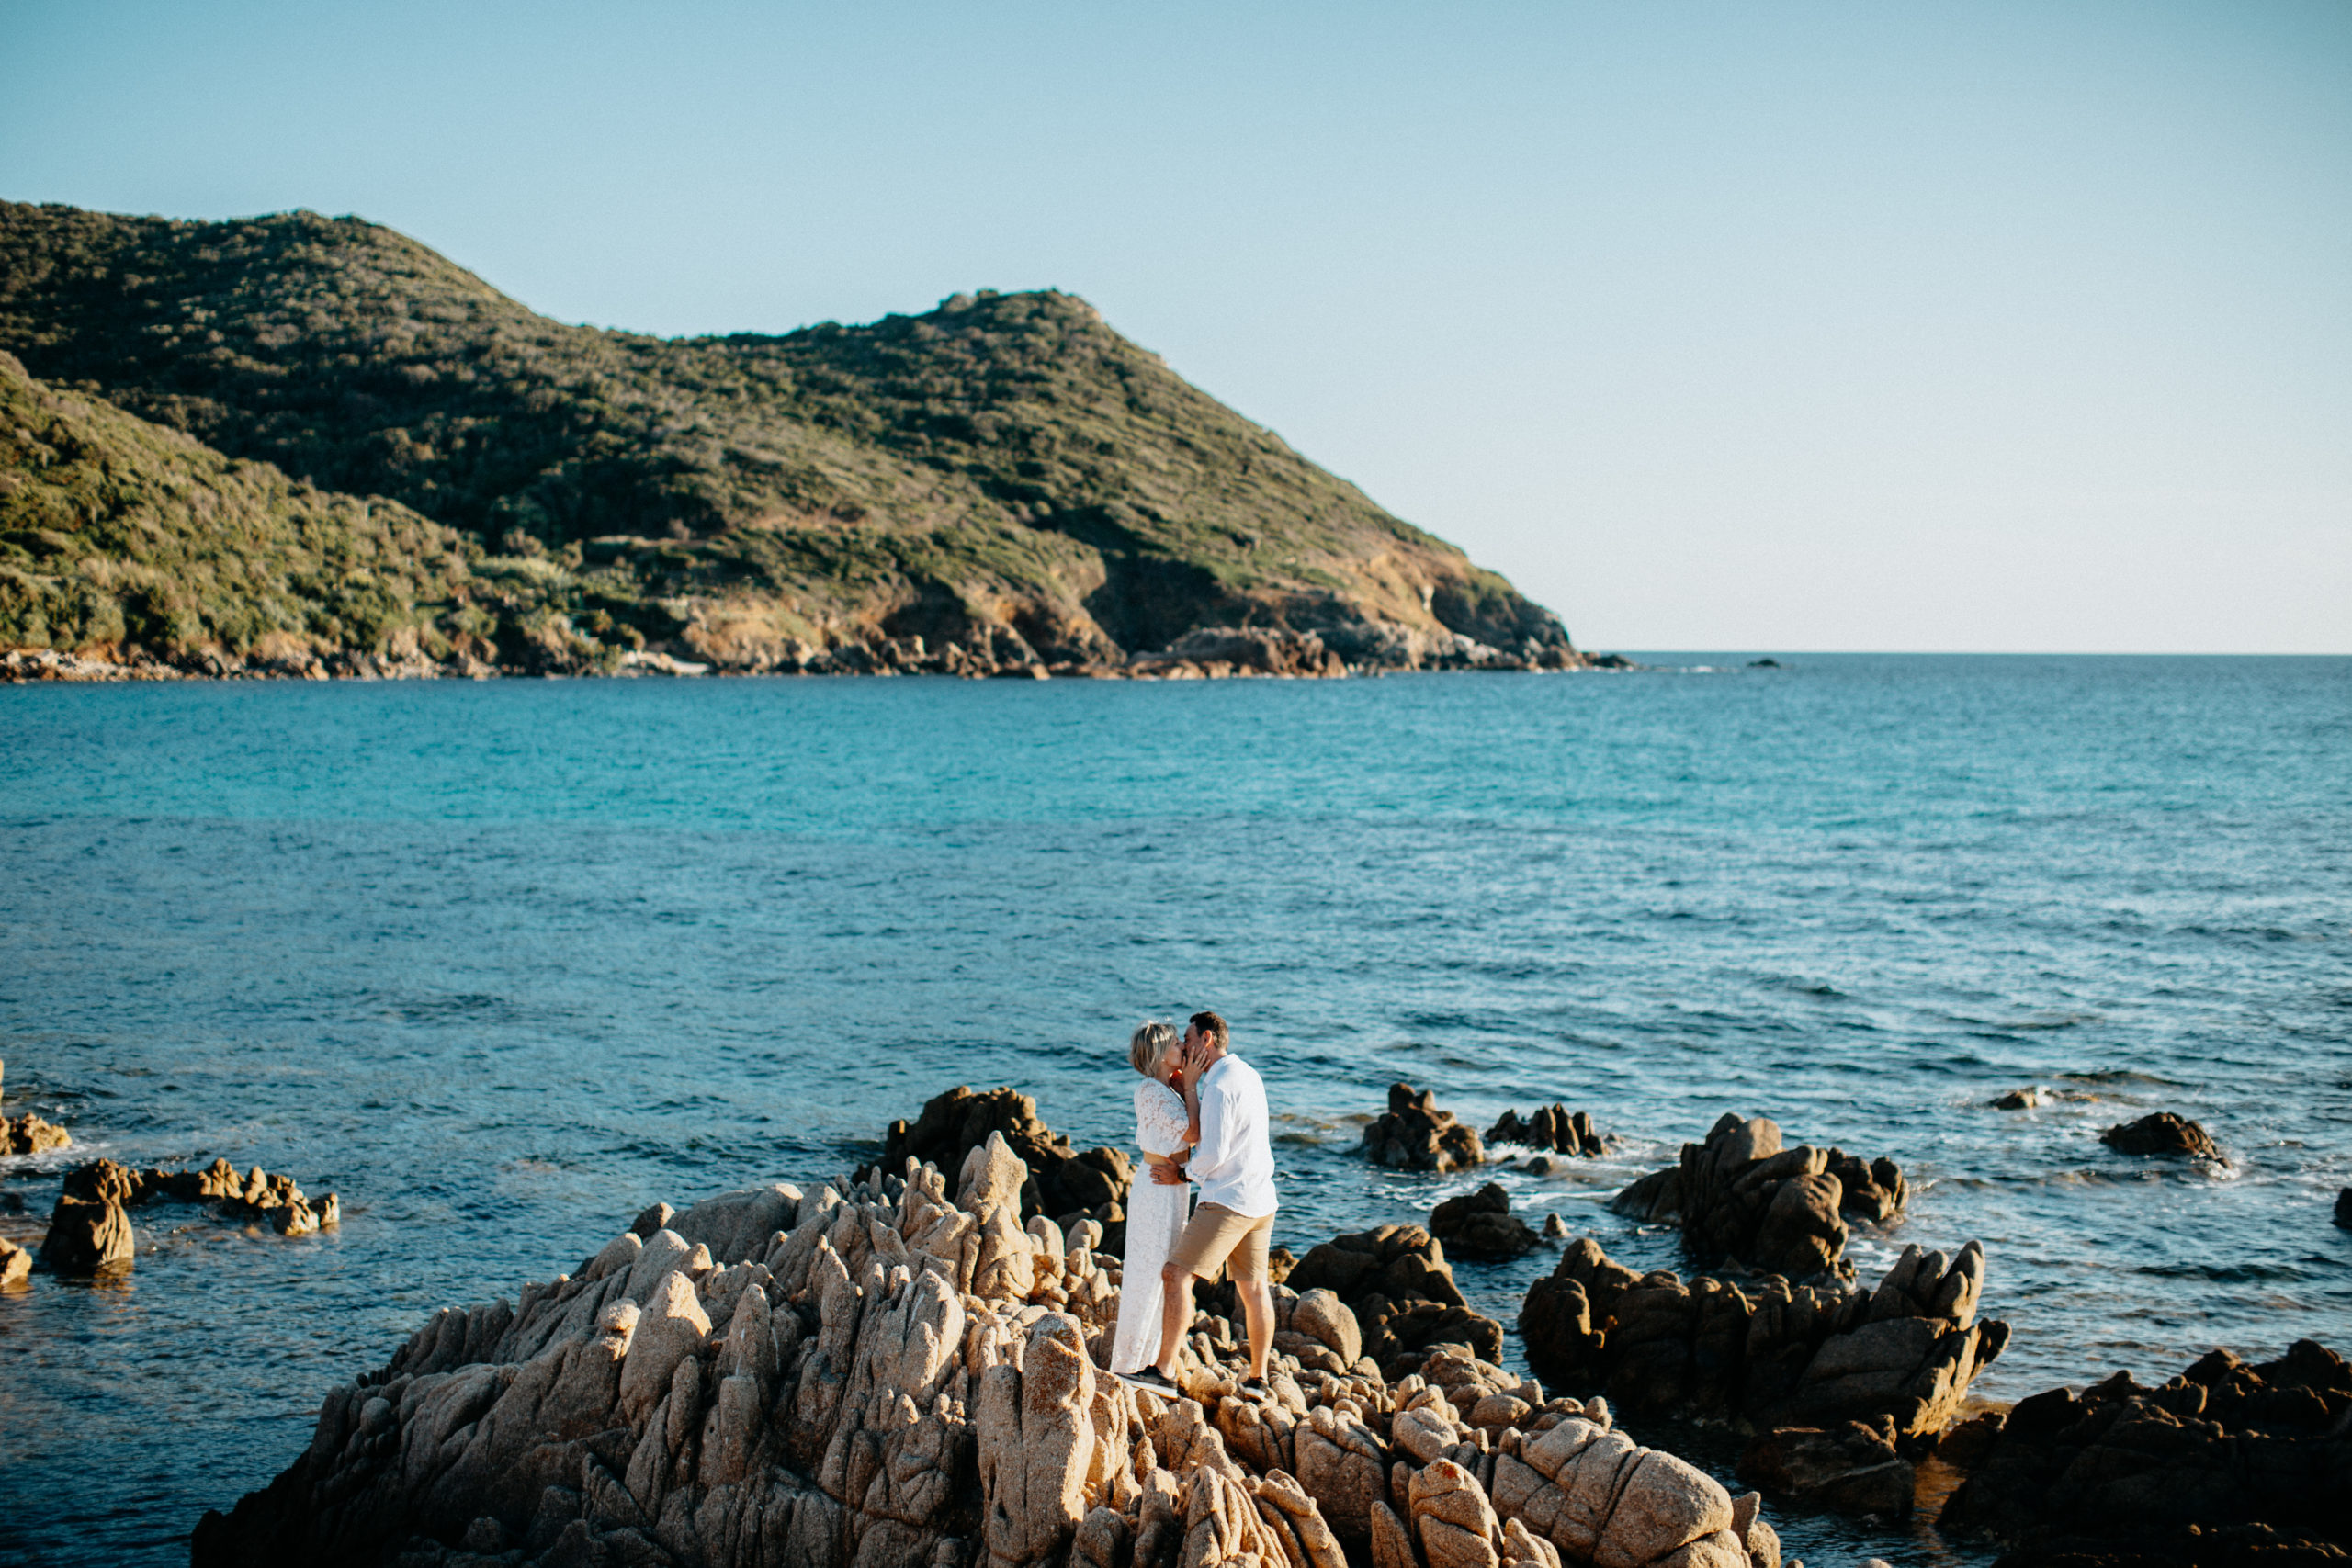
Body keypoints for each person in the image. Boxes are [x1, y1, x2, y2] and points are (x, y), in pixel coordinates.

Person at [1125, 1010, 1278, 1394]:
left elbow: (1211, 1152)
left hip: (1228, 1199)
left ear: (1207, 1040)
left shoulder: (1218, 1086)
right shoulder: (1247, 1073)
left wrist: (1182, 1175)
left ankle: (1163, 1372)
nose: (1185, 1047)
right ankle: (1259, 1379)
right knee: (1255, 1288)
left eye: (1190, 1040)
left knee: (1176, 1276)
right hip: (1261, 1198)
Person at [1106, 1021, 1195, 1375]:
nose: (1182, 1047)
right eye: (1176, 1043)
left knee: (1165, 1270)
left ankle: (1155, 1356)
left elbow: (1192, 1136)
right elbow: (1193, 1131)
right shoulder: (1150, 1090)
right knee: (1149, 1271)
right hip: (1157, 1189)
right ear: (1160, 1054)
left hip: (1174, 1185)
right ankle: (1132, 1361)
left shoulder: (1168, 1090)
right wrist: (1189, 1086)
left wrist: (1186, 1088)